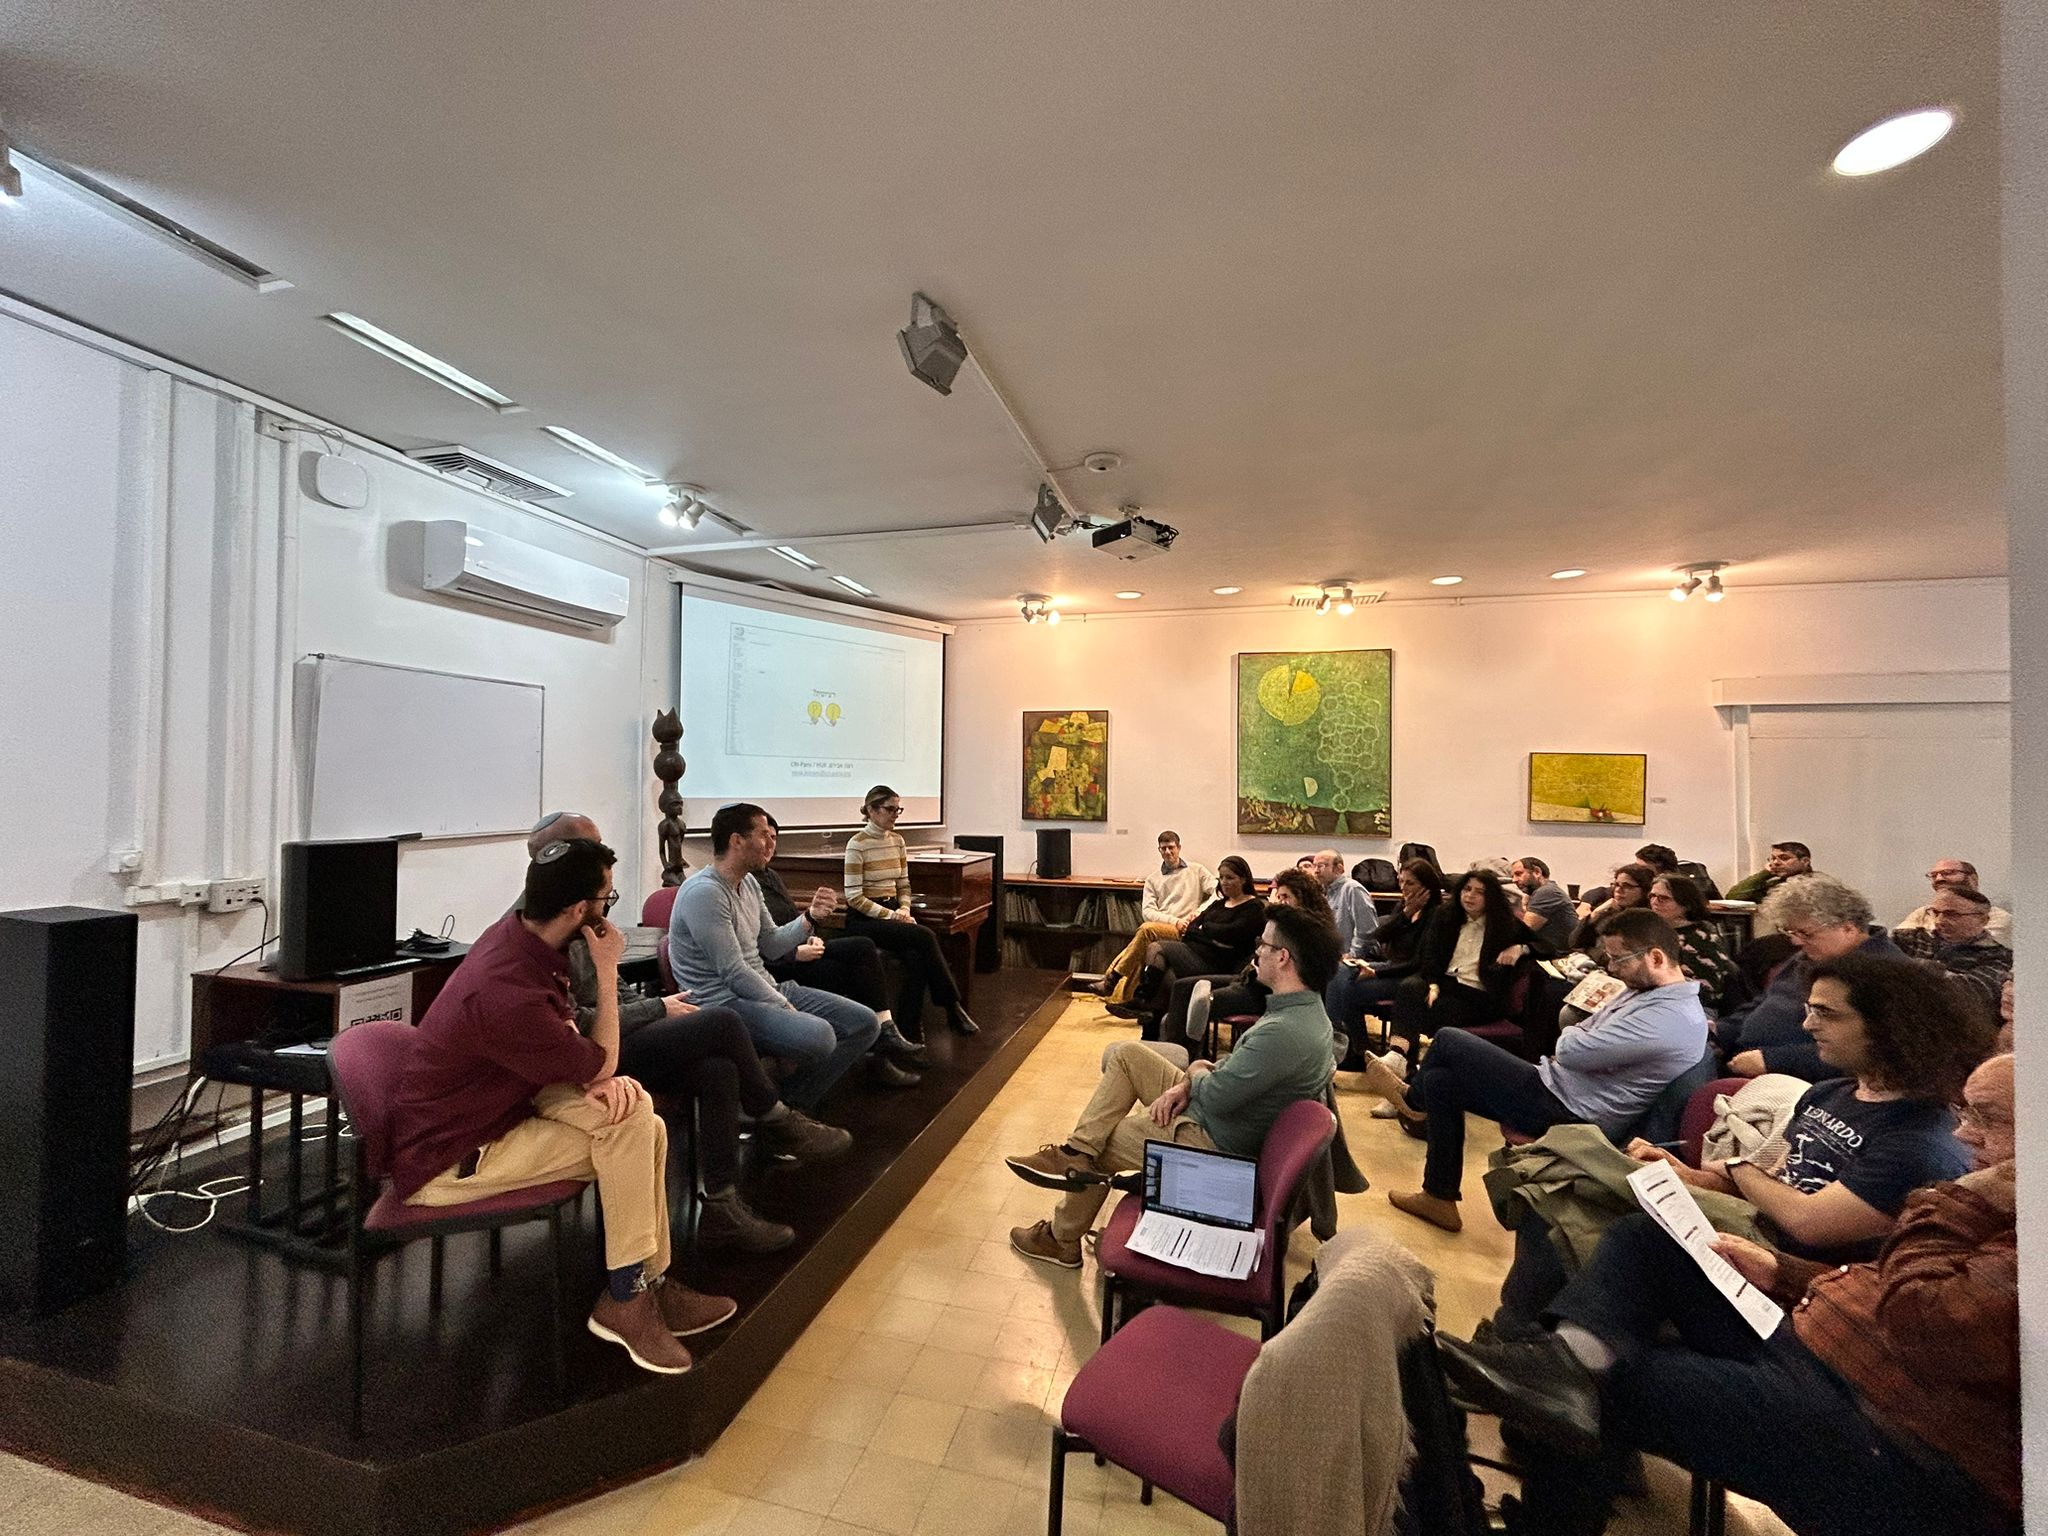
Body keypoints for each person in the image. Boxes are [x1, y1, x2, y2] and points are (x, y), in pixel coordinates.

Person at [1436, 1052, 2017, 1536]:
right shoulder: (1847, 1099)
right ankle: (1564, 1365)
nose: (1963, 1133)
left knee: (1614, 1379)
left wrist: (1963, 1201)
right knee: (1650, 1239)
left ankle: (1555, 1469)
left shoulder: (2000, 1215)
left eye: (1987, 1118)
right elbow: (1884, 1291)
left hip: (1901, 1436)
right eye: (1964, 1111)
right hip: (1827, 1339)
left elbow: (1926, 1322)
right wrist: (1784, 1272)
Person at [389, 838, 735, 1375]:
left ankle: (648, 1283)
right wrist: (606, 967)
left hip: (503, 1101)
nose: (608, 908)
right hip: (452, 1155)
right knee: (634, 1130)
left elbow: (573, 1039)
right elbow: (601, 1061)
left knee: (639, 1114)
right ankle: (627, 1296)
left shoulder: (516, 939)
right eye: (606, 898)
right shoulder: (507, 992)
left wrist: (598, 1077)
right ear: (580, 911)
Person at [519, 814, 849, 1255]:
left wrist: (647, 1005)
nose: (608, 887)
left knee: (717, 1069)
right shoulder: (540, 933)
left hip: (610, 1037)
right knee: (722, 1022)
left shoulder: (581, 921)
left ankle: (721, 1207)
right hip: (583, 1059)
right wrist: (657, 1007)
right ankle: (774, 1117)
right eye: (595, 854)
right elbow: (579, 1024)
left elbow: (609, 999)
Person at [1001, 904, 1341, 1268]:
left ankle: (1061, 1238)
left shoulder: (1283, 1032)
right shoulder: (1305, 1015)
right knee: (1130, 1056)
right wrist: (1187, 1081)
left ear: (1284, 958)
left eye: (1264, 943)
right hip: (1223, 1118)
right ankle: (1074, 1151)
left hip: (1214, 1140)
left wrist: (1193, 1074)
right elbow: (1237, 1071)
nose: (1257, 950)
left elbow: (1214, 1097)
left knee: (1105, 1141)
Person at [1363, 908, 1708, 1234]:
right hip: (1559, 1088)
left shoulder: (1668, 1019)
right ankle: (1439, 1197)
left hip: (1571, 1112)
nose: (1612, 968)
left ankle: (1413, 1100)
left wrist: (1577, 1035)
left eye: (1618, 958)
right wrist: (1580, 1034)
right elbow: (1578, 1027)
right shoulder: (1649, 994)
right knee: (1442, 1080)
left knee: (1450, 1040)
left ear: (1656, 958)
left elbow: (1569, 1046)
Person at [1626, 951, 1986, 1258]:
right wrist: (1685, 1175)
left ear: (1890, 1026)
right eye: (1810, 1009)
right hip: (1753, 1241)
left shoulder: (1920, 1139)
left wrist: (1739, 1167)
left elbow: (1807, 1223)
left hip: (1797, 1281)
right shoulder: (1826, 1093)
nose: (1808, 1024)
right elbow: (1776, 1189)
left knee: (1637, 1233)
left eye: (1826, 1013)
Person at [668, 803, 881, 1112]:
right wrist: (781, 1003)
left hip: (763, 989)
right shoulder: (705, 892)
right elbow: (733, 972)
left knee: (864, 1023)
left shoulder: (750, 882)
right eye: (764, 835)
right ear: (736, 841)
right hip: (722, 1004)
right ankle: (773, 1110)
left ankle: (788, 1104)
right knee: (821, 1037)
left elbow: (771, 944)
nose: (771, 843)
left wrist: (810, 917)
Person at [753, 833, 927, 1082]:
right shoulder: (744, 884)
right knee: (855, 972)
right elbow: (754, 946)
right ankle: (878, 1052)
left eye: (773, 837)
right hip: (778, 966)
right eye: (763, 836)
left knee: (863, 950)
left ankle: (882, 1039)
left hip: (798, 950)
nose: (769, 844)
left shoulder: (771, 876)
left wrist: (810, 935)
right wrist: (794, 953)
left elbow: (792, 919)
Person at [1718, 874, 1899, 1079]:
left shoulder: (1887, 973)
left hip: (1796, 1079)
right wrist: (1720, 1032)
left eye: (1806, 934)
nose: (1795, 942)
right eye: (1791, 932)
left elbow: (1876, 1053)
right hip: (1744, 1059)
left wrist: (1773, 1061)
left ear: (1848, 928)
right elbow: (1764, 1003)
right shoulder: (1810, 957)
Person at [841, 784, 979, 1036]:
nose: (895, 815)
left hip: (893, 911)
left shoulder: (897, 841)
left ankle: (911, 1029)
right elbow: (854, 897)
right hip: (865, 918)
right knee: (925, 936)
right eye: (890, 809)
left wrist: (904, 908)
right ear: (871, 810)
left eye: (898, 809)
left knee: (917, 959)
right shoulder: (857, 844)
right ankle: (951, 1007)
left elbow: (904, 884)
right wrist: (894, 916)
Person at [1162, 864, 1333, 1055]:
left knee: (1193, 1002)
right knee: (1182, 986)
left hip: (1265, 992)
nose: (1281, 902)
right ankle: (1181, 1052)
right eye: (1280, 897)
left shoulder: (1309, 931)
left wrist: (1260, 962)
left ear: (1302, 899)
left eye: (1286, 897)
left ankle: (1184, 1058)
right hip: (1248, 980)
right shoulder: (1283, 923)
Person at [1381, 868, 1530, 1062]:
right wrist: (1433, 983)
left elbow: (1546, 947)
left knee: (1415, 1011)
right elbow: (1429, 957)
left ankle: (1402, 1061)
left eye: (1479, 892)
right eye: (1467, 889)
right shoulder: (1446, 916)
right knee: (1410, 986)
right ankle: (1399, 1057)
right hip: (1446, 985)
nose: (1470, 896)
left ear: (1490, 896)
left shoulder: (1504, 923)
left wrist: (1520, 947)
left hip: (1478, 995)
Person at [1112, 855, 1266, 1029]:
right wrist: (1210, 935)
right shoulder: (1219, 904)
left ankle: (1142, 1000)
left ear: (1244, 879)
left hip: (1219, 963)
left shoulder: (1254, 907)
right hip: (1196, 953)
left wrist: (1206, 929)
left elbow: (1231, 935)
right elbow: (1191, 929)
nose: (1224, 882)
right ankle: (1156, 1023)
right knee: (1168, 975)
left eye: (1230, 878)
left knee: (1156, 948)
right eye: (1221, 877)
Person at [1090, 831, 1217, 1002]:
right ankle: (1125, 997)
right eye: (1163, 849)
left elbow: (1218, 892)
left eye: (1171, 848)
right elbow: (1148, 912)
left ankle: (1111, 980)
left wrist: (1198, 914)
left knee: (1146, 931)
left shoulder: (1197, 870)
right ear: (1159, 850)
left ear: (1179, 848)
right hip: (1168, 926)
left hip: (1188, 930)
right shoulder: (1153, 879)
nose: (1168, 852)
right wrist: (1175, 921)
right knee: (1145, 936)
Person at [1891, 886, 2013, 1013]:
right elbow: (1874, 963)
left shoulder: (1999, 956)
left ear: (1983, 919)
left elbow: (1970, 992)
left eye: (1952, 914)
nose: (1939, 921)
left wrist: (1907, 967)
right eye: (1935, 912)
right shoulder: (1907, 938)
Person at [1645, 873, 1738, 1010]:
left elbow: (1709, 991)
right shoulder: (1655, 929)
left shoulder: (1701, 938)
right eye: (1652, 896)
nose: (1655, 902)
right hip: (1659, 1000)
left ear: (1686, 904)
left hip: (1694, 1007)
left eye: (1663, 898)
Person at [1897, 857, 2013, 947]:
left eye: (1948, 872)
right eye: (1933, 875)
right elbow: (1897, 945)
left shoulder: (1999, 918)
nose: (1938, 879)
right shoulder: (1922, 913)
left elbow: (1973, 950)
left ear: (1973, 878)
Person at [1565, 862, 1652, 952]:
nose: (1618, 890)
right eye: (1616, 885)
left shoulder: (1647, 919)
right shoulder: (1609, 910)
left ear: (1644, 890)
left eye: (1627, 886)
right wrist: (1595, 914)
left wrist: (1591, 952)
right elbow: (1574, 943)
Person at [1311, 848, 1377, 962]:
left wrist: (1352, 956)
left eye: (1321, 866)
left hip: (1352, 959)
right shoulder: (1321, 892)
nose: (1316, 871)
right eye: (1314, 866)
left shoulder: (1352, 889)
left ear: (1339, 868)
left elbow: (1367, 930)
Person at [1510, 857, 1578, 958]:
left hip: (1558, 957)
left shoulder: (1546, 892)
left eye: (1519, 874)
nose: (1514, 880)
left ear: (1537, 872)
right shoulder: (1547, 890)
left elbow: (1523, 933)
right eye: (1513, 876)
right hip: (1550, 953)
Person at [1724, 840, 1813, 904]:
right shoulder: (1773, 885)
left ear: (1805, 861)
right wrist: (1765, 873)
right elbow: (1733, 897)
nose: (1775, 863)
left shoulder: (1817, 884)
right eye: (1773, 858)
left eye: (1784, 858)